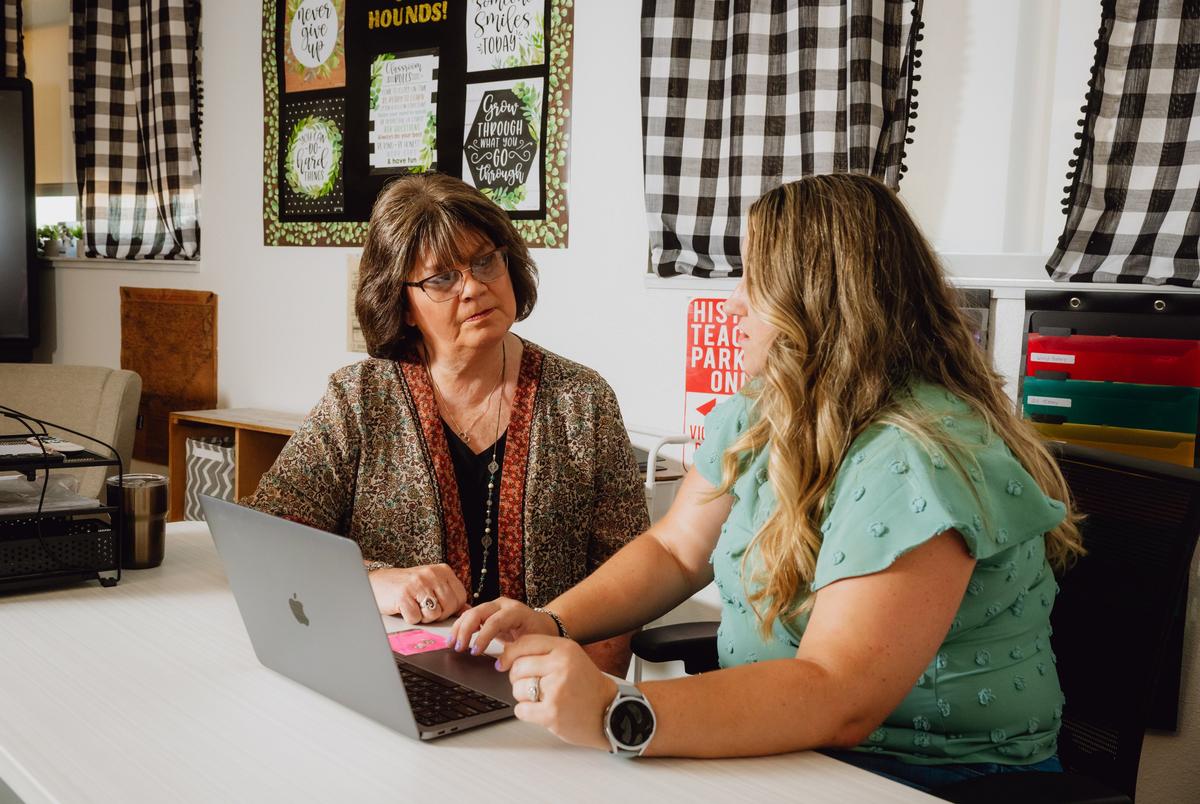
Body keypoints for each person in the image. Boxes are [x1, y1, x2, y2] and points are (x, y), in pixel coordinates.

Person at [449, 173, 1084, 791]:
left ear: (822, 301)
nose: (734, 302)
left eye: (757, 280)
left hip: (927, 774)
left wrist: (618, 712)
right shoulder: (766, 407)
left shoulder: (915, 457)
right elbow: (677, 549)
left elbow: (841, 696)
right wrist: (548, 622)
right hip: (790, 750)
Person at [245, 173, 648, 676]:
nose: (474, 287)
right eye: (442, 278)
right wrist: (377, 581)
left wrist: (596, 693)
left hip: (546, 689)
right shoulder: (359, 399)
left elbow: (628, 569)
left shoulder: (582, 401)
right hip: (388, 676)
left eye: (485, 261)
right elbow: (266, 538)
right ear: (403, 304)